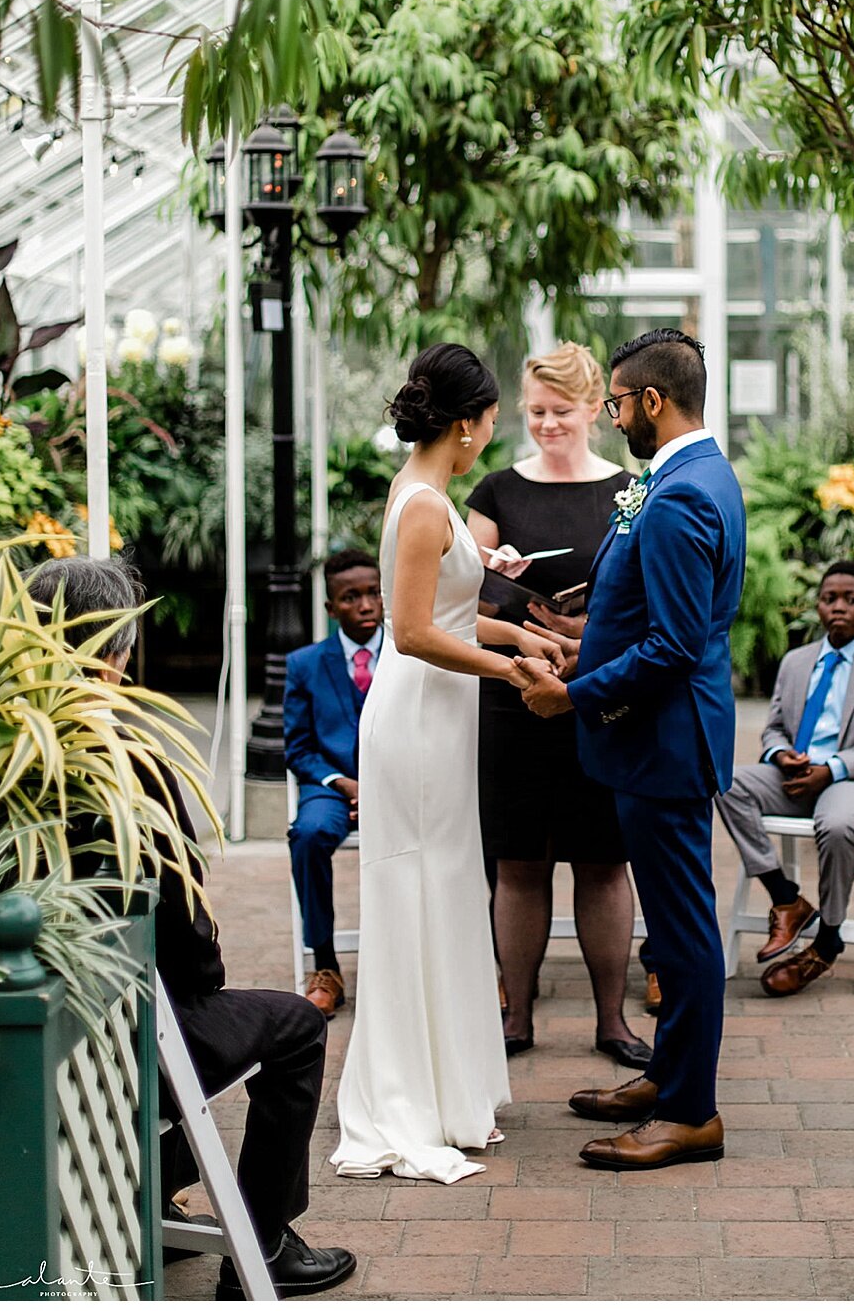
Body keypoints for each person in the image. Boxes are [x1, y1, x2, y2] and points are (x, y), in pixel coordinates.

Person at [26, 554, 354, 1301]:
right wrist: (207, 978)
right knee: (296, 1024)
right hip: (123, 1054)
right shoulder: (123, 755)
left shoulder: (13, 747)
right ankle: (262, 1246)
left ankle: (158, 1198)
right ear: (115, 644)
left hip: (33, 1036)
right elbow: (176, 914)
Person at [330, 343, 564, 1185]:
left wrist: (523, 633)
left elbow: (458, 612)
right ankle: (406, 1095)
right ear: (465, 424)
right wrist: (512, 671)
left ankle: (444, 1089)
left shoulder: (431, 494)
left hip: (438, 716)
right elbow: (418, 631)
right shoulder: (426, 504)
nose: (490, 437)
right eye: (490, 422)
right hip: (416, 719)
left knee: (448, 885)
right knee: (417, 889)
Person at [516, 329, 747, 1172]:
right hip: (651, 739)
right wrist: (587, 639)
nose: (612, 417)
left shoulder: (683, 492)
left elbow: (680, 642)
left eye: (615, 402)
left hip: (664, 743)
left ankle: (690, 1112)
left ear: (652, 401)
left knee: (683, 935)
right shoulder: (686, 475)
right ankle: (668, 1081)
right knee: (675, 930)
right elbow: (647, 611)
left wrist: (572, 693)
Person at [465, 341, 651, 1068]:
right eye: (536, 412)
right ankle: (516, 1014)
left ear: (594, 413)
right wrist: (489, 570)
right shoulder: (496, 492)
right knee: (518, 863)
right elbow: (458, 596)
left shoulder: (628, 492)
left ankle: (613, 1020)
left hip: (598, 700)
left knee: (606, 863)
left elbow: (642, 595)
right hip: (512, 700)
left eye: (561, 412)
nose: (546, 425)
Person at [716, 561, 854, 995]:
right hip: (797, 776)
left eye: (851, 600)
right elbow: (774, 727)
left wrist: (832, 770)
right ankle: (786, 898)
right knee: (725, 782)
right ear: (817, 607)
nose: (838, 608)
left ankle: (827, 940)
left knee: (838, 825)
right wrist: (779, 753)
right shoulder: (795, 662)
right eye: (829, 599)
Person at [283, 548, 382, 1018]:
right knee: (308, 834)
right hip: (333, 786)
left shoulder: (410, 652)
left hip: (400, 781)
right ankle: (325, 965)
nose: (366, 605)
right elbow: (298, 748)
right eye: (351, 597)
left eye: (373, 593)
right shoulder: (304, 664)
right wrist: (345, 784)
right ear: (330, 608)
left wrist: (384, 786)